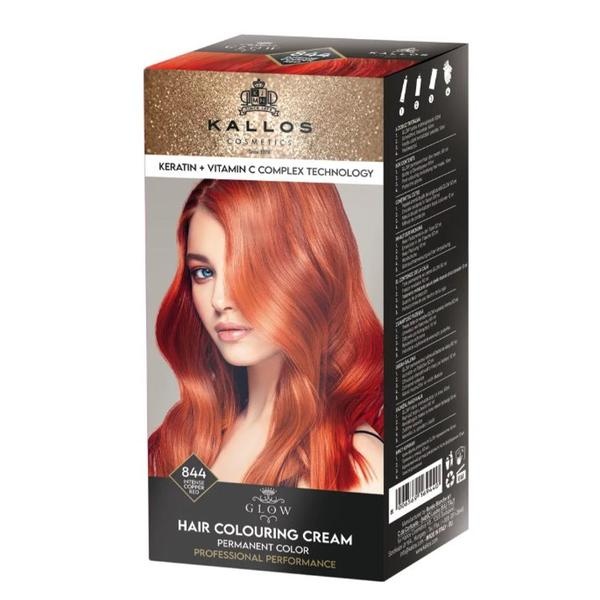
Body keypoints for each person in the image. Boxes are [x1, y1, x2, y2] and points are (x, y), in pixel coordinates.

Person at [148, 179, 384, 493]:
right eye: (204, 272)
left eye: (248, 268)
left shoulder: (354, 465)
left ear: (312, 269)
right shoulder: (196, 440)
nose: (220, 299)